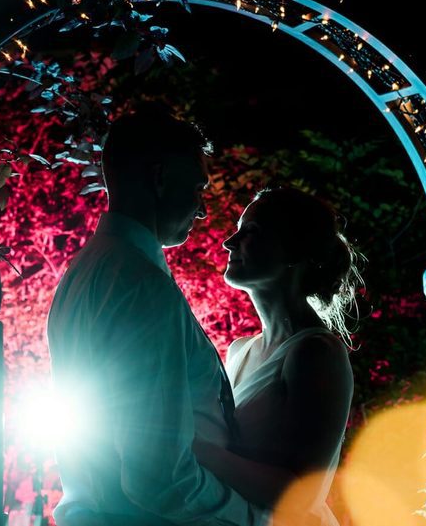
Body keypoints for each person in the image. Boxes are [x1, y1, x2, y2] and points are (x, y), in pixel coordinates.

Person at [46, 107, 265, 526]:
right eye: (198, 188)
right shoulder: (141, 285)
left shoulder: (87, 271)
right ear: (160, 178)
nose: (202, 210)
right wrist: (253, 520)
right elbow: (160, 478)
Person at [194, 187, 359, 525]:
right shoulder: (239, 350)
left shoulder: (316, 352)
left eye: (251, 232)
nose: (229, 242)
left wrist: (197, 449)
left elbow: (299, 493)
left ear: (294, 250)